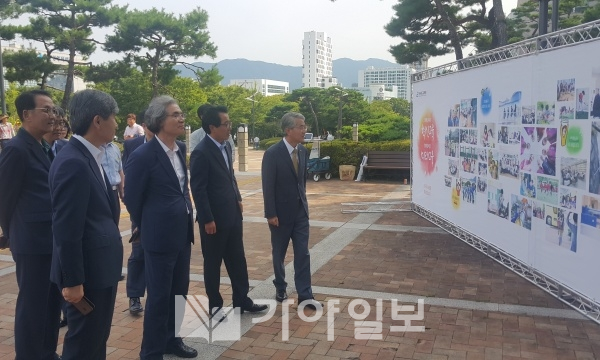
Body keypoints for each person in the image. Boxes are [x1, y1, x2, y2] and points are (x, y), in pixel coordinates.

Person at [49, 89, 124, 360]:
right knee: (83, 344)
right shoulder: (74, 162)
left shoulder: (91, 156)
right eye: (113, 117)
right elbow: (66, 228)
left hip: (99, 268)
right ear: (97, 121)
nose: (116, 123)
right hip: (87, 275)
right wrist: (73, 281)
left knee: (95, 340)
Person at [124, 96, 197, 359]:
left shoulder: (180, 148)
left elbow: (180, 188)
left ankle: (172, 340)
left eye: (181, 113)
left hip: (182, 234)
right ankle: (151, 352)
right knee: (158, 298)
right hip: (157, 237)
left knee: (179, 293)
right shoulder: (143, 154)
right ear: (158, 121)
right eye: (175, 115)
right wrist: (148, 223)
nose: (181, 118)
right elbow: (131, 197)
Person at [0, 90, 62, 360]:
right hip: (31, 241)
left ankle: (46, 353)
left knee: (50, 304)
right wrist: (11, 234)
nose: (52, 116)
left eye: (53, 110)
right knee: (33, 305)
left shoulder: (43, 146)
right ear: (26, 115)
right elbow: (4, 197)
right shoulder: (16, 149)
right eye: (46, 110)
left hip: (49, 239)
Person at [190, 105, 267, 319]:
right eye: (226, 124)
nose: (229, 127)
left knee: (237, 259)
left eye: (230, 123)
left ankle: (241, 300)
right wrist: (207, 218)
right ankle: (215, 305)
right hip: (213, 220)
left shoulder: (226, 146)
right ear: (212, 127)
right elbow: (198, 188)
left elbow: (230, 175)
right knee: (213, 264)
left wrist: (238, 198)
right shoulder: (201, 152)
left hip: (232, 214)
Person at [261, 112, 320, 310]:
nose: (305, 130)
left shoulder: (302, 151)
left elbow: (301, 182)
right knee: (279, 252)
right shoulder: (272, 153)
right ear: (288, 130)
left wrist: (304, 205)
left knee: (303, 253)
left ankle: (305, 294)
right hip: (280, 214)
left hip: (300, 213)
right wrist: (270, 213)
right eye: (301, 127)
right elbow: (268, 186)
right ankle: (280, 286)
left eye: (305, 126)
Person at [122, 109, 152, 315]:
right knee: (138, 253)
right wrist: (135, 212)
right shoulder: (132, 145)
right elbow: (128, 179)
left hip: (161, 212)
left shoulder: (174, 146)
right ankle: (134, 296)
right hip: (140, 210)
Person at [101, 140, 124, 225]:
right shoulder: (94, 148)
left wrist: (122, 191)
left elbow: (120, 170)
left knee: (115, 221)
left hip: (114, 193)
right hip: (101, 192)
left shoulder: (115, 148)